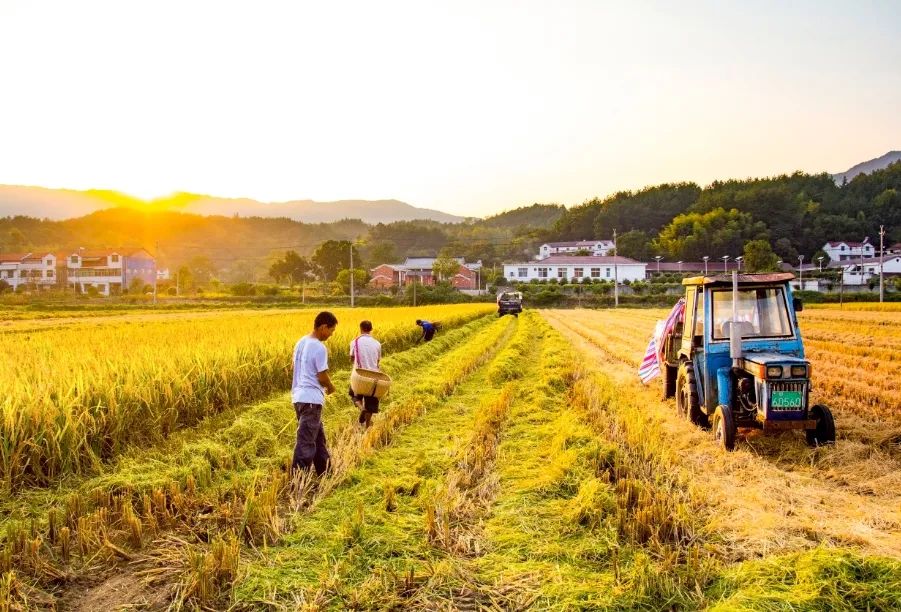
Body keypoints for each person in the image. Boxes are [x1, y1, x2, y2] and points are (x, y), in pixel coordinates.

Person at [291, 311, 338, 475]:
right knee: (306, 442)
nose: (330, 335)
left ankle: (325, 473)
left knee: (318, 438)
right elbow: (322, 376)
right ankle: (297, 480)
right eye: (331, 331)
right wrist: (331, 387)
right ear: (323, 327)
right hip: (311, 399)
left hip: (299, 397)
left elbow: (295, 368)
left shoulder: (301, 342)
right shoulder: (319, 347)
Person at [349, 320, 382, 428]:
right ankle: (367, 425)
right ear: (371, 329)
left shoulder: (354, 342)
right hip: (373, 376)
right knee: (371, 402)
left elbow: (351, 358)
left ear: (360, 329)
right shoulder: (377, 344)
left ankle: (361, 408)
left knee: (354, 395)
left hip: (359, 376)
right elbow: (377, 361)